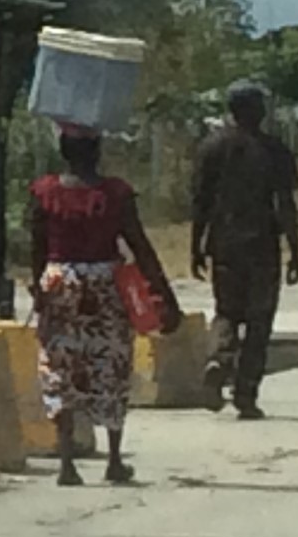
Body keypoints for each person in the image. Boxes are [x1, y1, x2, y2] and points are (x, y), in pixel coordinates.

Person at [28, 123, 182, 486]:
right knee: (110, 363)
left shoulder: (44, 192)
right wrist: (164, 295)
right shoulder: (115, 194)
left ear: (63, 151)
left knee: (61, 366)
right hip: (105, 285)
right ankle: (114, 459)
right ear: (97, 152)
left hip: (59, 284)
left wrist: (39, 288)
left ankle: (67, 464)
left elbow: (37, 244)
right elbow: (139, 246)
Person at [192, 81, 298, 419]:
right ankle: (245, 394)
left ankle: (218, 358)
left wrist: (195, 246)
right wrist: (295, 250)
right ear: (255, 110)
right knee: (259, 321)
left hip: (224, 245)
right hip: (262, 246)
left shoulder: (212, 147)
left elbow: (200, 202)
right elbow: (285, 204)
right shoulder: (274, 150)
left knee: (226, 311)